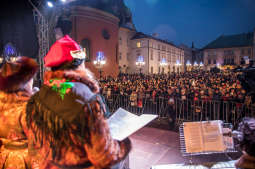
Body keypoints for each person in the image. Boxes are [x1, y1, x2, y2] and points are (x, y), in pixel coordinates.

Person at [26, 35, 131, 169]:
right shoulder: (87, 98)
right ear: (79, 65)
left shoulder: (36, 97)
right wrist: (123, 145)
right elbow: (102, 155)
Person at [0, 57, 38, 169]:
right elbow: (37, 139)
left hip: (4, 157)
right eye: (30, 79)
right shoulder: (28, 107)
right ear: (23, 83)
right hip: (26, 159)